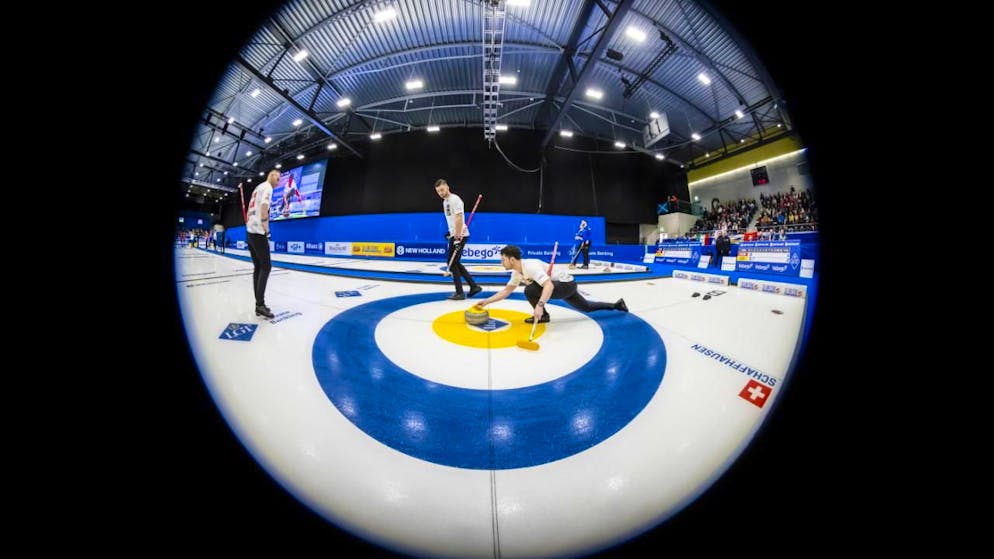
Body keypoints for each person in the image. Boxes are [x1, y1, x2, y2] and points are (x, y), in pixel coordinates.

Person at [473, 245, 627, 324]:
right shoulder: (516, 272)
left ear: (511, 259)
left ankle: (543, 316)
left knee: (530, 290)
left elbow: (549, 286)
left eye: (503, 259)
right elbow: (506, 291)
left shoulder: (530, 266)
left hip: (565, 284)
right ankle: (616, 305)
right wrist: (486, 302)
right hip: (566, 285)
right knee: (586, 307)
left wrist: (539, 307)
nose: (501, 262)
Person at [435, 179, 482, 300]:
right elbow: (452, 220)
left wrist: (456, 237)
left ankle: (460, 292)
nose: (440, 192)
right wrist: (450, 233)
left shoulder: (455, 200)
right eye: (438, 191)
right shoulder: (445, 202)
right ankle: (474, 286)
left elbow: (459, 218)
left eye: (442, 189)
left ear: (447, 187)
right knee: (454, 262)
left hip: (460, 235)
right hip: (454, 234)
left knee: (452, 263)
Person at [246, 170, 277, 319]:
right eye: (276, 177)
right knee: (266, 266)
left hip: (249, 232)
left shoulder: (258, 187)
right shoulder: (268, 188)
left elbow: (250, 210)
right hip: (258, 232)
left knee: (258, 267)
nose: (278, 181)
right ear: (271, 177)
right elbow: (264, 209)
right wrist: (267, 231)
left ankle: (258, 304)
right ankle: (260, 305)